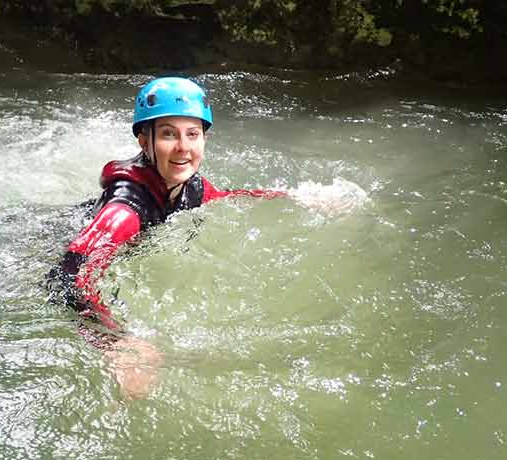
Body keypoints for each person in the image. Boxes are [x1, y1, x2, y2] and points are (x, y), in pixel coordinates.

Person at [47, 76, 363, 399]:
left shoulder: (190, 187)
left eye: (193, 134)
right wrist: (116, 343)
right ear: (144, 142)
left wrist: (296, 197)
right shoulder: (125, 212)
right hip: (47, 239)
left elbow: (226, 196)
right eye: (169, 134)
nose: (183, 148)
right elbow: (65, 276)